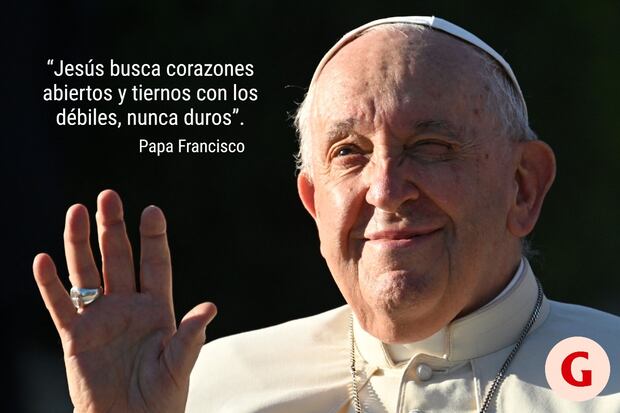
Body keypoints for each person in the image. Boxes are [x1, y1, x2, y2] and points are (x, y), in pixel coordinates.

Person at [33, 16, 619, 413]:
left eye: (430, 146)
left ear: (522, 188)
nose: (385, 190)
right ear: (314, 204)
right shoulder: (205, 389)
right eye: (349, 153)